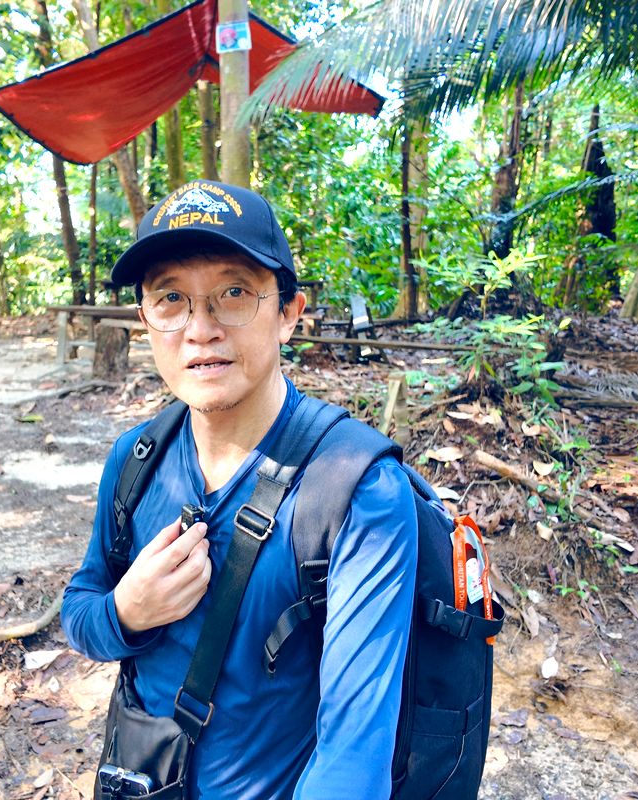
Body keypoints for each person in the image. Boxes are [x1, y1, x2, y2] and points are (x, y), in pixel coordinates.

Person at [61, 180, 417, 799]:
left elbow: (352, 761)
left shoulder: (358, 492)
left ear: (288, 313)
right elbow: (80, 609)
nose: (200, 330)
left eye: (233, 293)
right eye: (171, 298)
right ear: (146, 318)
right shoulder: (136, 460)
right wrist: (128, 612)